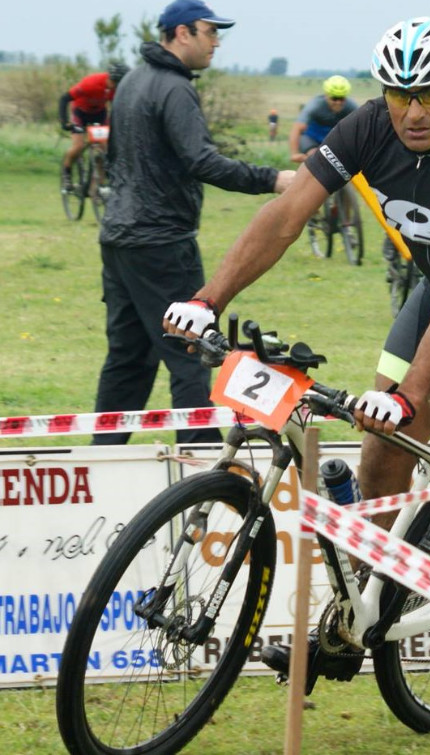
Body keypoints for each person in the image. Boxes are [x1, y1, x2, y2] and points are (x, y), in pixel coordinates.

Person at [163, 16, 430, 687]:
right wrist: (209, 298)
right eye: (399, 93)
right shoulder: (364, 127)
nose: (414, 111)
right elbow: (287, 214)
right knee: (379, 446)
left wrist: (408, 394)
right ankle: (366, 608)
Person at [94, 0, 295, 446]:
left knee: (128, 359)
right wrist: (274, 179)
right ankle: (202, 467)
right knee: (191, 352)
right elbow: (201, 160)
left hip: (119, 239)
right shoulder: (173, 87)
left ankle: (99, 457)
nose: (217, 41)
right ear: (182, 34)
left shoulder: (131, 81)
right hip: (163, 243)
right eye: (211, 32)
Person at [59, 62, 129, 190]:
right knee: (78, 146)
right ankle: (66, 174)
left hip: (99, 114)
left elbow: (118, 109)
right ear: (110, 78)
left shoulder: (116, 90)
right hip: (80, 113)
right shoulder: (90, 83)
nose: (116, 88)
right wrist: (64, 123)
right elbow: (64, 99)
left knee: (105, 149)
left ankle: (97, 185)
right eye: (115, 83)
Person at [288, 75, 359, 163]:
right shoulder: (315, 105)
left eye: (341, 98)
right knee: (316, 157)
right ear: (326, 95)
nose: (338, 102)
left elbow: (363, 127)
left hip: (334, 138)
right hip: (312, 137)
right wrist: (294, 154)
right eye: (334, 98)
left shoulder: (351, 106)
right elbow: (297, 128)